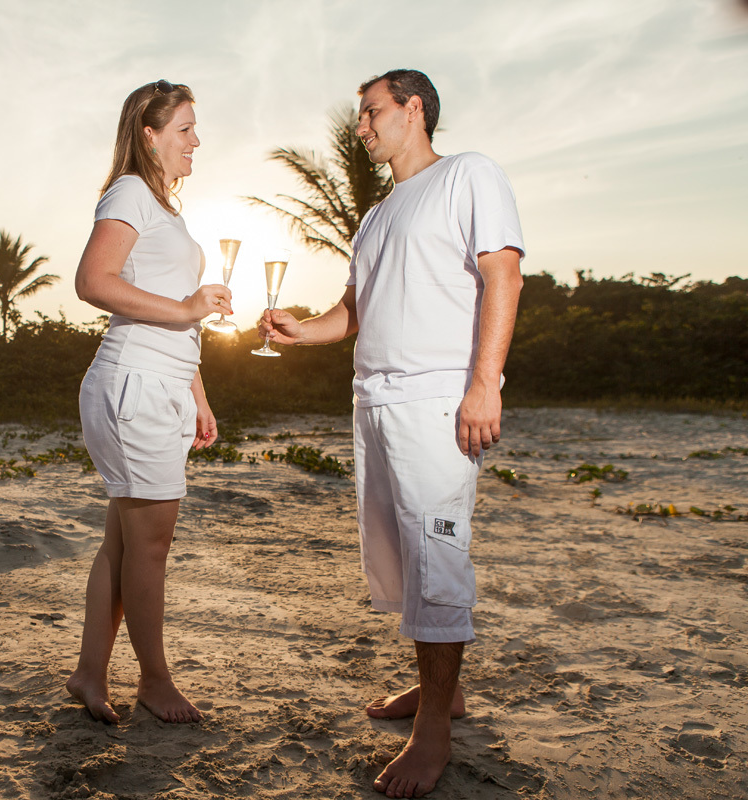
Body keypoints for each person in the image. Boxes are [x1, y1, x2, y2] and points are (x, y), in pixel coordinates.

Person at [259, 69, 524, 797]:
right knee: (405, 562)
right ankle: (444, 692)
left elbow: (504, 276)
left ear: (414, 110)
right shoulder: (375, 216)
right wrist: (298, 332)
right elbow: (354, 311)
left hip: (438, 401)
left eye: (371, 112)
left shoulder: (469, 175)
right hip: (373, 404)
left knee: (436, 561)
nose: (362, 127)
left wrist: (482, 384)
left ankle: (433, 732)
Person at [66, 80, 230, 725]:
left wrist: (199, 395)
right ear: (150, 134)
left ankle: (88, 672)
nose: (196, 141)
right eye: (186, 129)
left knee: (123, 546)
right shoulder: (131, 192)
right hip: (134, 386)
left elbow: (176, 318)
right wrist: (190, 307)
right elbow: (92, 282)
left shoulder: (163, 209)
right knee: (150, 549)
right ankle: (155, 683)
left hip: (160, 383)